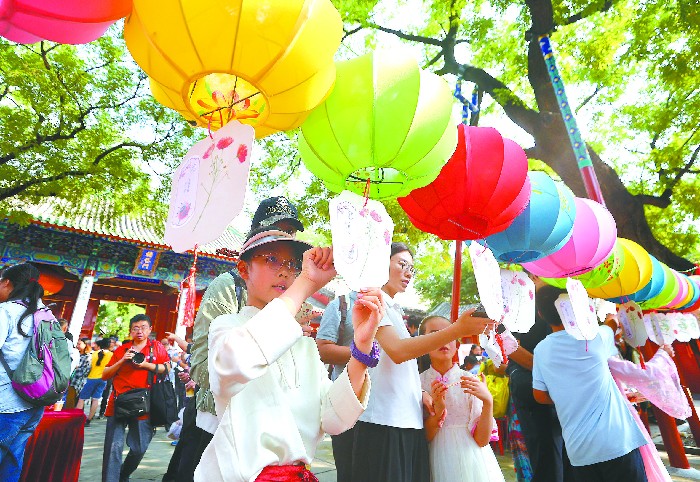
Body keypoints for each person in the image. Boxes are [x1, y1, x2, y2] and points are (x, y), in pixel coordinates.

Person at [194, 227, 380, 482]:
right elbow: (235, 362)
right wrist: (306, 283)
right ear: (243, 269)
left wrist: (362, 347)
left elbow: (334, 418)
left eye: (292, 265)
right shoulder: (227, 326)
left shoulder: (304, 347)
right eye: (271, 259)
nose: (284, 271)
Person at [318, 242, 494, 482]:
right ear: (380, 262)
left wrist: (420, 392)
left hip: (404, 422)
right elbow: (398, 351)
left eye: (412, 268)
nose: (409, 273)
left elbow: (398, 364)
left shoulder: (393, 308)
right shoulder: (370, 300)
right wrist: (456, 330)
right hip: (379, 421)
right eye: (402, 264)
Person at [171, 196, 306, 482]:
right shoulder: (228, 285)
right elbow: (202, 365)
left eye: (290, 233)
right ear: (256, 232)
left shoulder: (290, 295)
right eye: (276, 229)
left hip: (265, 434)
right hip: (215, 424)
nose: (284, 238)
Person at [532, 285, 648, 482]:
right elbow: (612, 322)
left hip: (579, 450)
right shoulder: (594, 337)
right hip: (616, 442)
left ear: (541, 314)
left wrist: (568, 395)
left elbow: (539, 395)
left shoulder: (541, 350)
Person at [419, 316, 504, 482]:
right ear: (422, 343)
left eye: (448, 334)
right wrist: (438, 412)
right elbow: (423, 437)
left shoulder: (471, 381)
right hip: (431, 458)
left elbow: (482, 440)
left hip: (471, 459)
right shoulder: (417, 384)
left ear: (456, 343)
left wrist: (488, 401)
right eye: (435, 334)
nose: (443, 339)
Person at [507, 273, 572, 482]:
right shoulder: (513, 299)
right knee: (547, 456)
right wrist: (544, 368)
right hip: (531, 384)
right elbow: (506, 344)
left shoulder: (566, 295)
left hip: (565, 385)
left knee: (571, 455)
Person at [101, 314, 171, 482]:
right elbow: (105, 374)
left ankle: (123, 474)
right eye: (135, 328)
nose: (139, 331)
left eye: (143, 327)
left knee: (139, 447)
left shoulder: (157, 348)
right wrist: (122, 361)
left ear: (150, 329)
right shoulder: (121, 350)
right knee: (113, 448)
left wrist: (145, 365)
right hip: (119, 402)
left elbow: (167, 368)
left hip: (144, 403)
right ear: (130, 331)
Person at [0, 263, 47, 482]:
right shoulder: (47, 315)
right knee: (11, 464)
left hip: (6, 404)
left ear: (6, 282)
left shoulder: (7, 311)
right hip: (35, 402)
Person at [76, 338, 113, 425]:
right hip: (103, 379)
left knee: (82, 399)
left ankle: (76, 418)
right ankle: (89, 419)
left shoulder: (94, 353)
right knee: (96, 399)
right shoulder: (111, 354)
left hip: (91, 378)